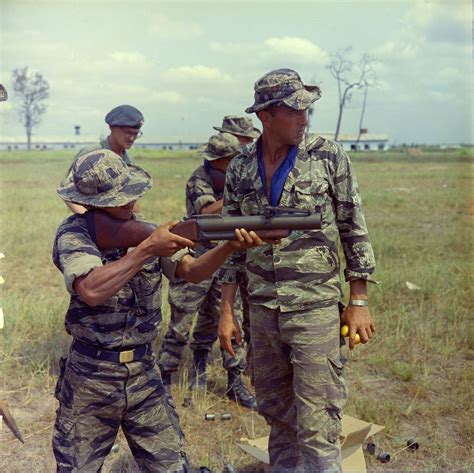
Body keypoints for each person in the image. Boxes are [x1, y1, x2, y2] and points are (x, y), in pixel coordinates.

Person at [52, 148, 264, 472]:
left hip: (143, 373)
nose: (131, 203)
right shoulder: (74, 235)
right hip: (90, 378)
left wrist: (228, 246)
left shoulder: (146, 231)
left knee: (172, 466)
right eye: (120, 198)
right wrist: (146, 249)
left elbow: (191, 271)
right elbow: (92, 289)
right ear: (94, 204)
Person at [217, 68, 377, 472]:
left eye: (308, 110)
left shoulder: (327, 155)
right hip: (262, 312)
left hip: (314, 310)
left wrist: (358, 300)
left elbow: (352, 227)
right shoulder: (239, 168)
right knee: (277, 417)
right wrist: (226, 311)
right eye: (295, 111)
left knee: (318, 424)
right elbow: (230, 250)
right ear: (266, 116)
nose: (305, 119)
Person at [158, 131, 257, 410]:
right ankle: (164, 377)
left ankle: (235, 381)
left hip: (227, 256)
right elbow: (208, 210)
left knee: (230, 318)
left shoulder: (236, 177)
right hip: (197, 256)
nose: (234, 166)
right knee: (181, 323)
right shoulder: (198, 179)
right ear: (216, 163)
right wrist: (234, 194)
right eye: (229, 162)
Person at [64, 104, 144, 214]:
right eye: (127, 132)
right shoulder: (92, 154)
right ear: (111, 127)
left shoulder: (127, 159)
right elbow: (68, 192)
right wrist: (88, 219)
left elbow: (131, 198)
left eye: (136, 134)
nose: (131, 138)